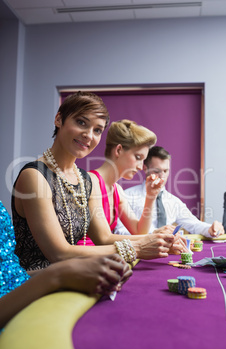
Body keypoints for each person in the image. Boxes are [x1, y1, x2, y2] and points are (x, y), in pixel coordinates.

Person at [12, 91, 176, 271]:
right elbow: (58, 253)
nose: (89, 135)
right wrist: (138, 247)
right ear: (59, 119)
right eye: (81, 122)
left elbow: (102, 238)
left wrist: (156, 241)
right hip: (36, 283)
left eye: (97, 130)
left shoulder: (84, 181)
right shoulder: (34, 176)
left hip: (77, 273)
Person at [0, 200, 131, 329]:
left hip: (28, 303)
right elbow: (59, 255)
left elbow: (11, 274)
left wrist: (84, 265)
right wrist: (57, 274)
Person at [77, 119, 178, 245]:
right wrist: (154, 237)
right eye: (138, 158)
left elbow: (139, 232)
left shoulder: (117, 190)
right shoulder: (91, 181)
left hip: (103, 258)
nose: (141, 167)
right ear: (118, 150)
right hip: (85, 260)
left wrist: (150, 197)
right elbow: (103, 238)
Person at [114, 146, 224, 239]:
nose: (162, 176)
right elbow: (119, 232)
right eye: (157, 171)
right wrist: (153, 234)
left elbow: (194, 224)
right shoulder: (127, 196)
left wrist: (211, 228)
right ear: (145, 168)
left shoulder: (173, 201)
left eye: (165, 171)